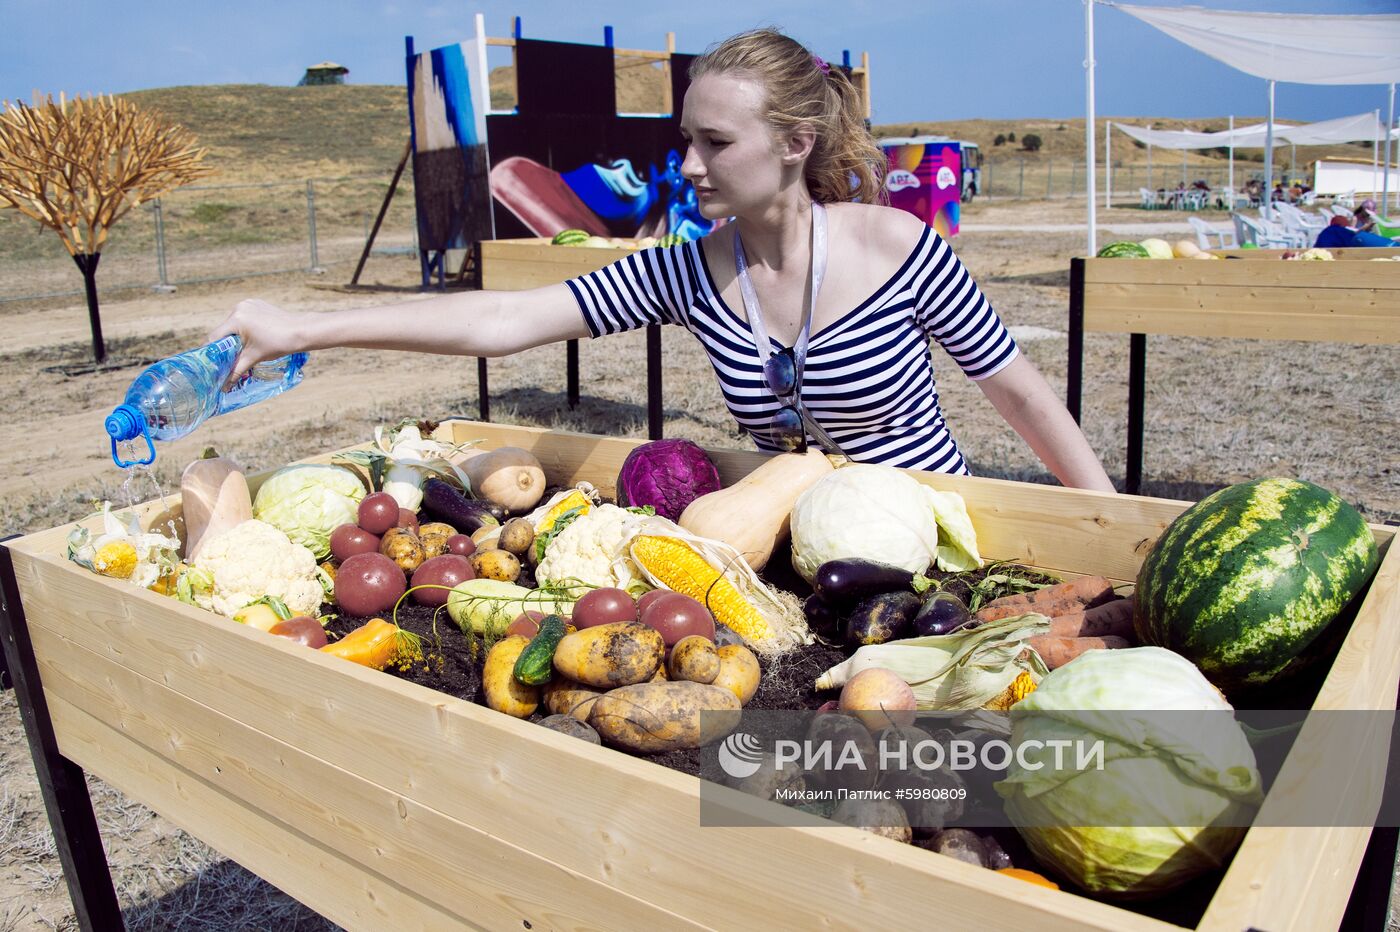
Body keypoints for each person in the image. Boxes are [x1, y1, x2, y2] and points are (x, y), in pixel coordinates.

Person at [212, 28, 1114, 493]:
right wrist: (306, 328)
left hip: (930, 538)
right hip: (798, 543)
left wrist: (1111, 525)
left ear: (798, 141)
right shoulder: (691, 270)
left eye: (715, 142)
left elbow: (1020, 396)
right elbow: (503, 321)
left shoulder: (899, 249)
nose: (687, 166)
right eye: (687, 138)